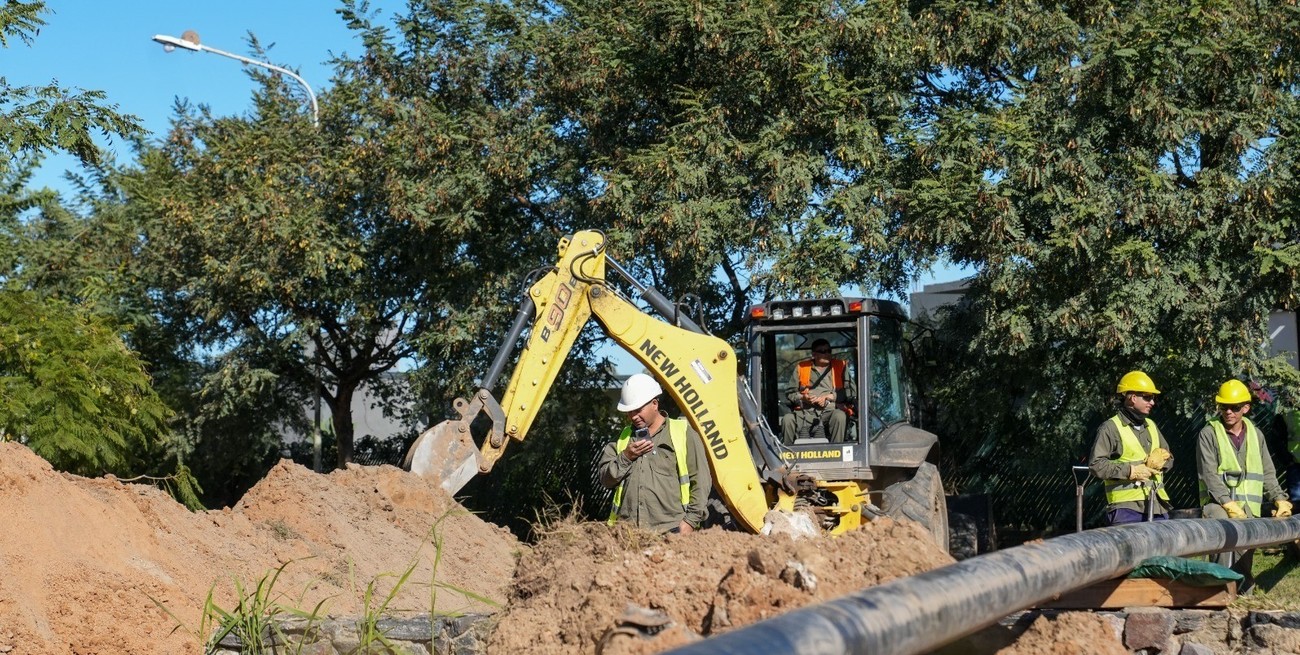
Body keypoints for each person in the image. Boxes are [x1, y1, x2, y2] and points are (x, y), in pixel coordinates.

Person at [1197, 379, 1293, 586]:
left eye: (1234, 407)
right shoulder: (1209, 433)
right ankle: (1217, 595)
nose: (1228, 412)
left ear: (1246, 408)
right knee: (1223, 541)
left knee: (1244, 561)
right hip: (1219, 506)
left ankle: (1241, 599)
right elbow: (1208, 475)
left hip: (1249, 508)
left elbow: (1267, 472)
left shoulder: (1256, 435)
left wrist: (1279, 499)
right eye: (1224, 407)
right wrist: (1227, 503)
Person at [598, 373, 712, 534]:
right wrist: (626, 457)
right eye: (629, 412)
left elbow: (700, 480)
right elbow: (605, 480)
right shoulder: (622, 439)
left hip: (671, 532)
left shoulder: (682, 433)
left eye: (638, 410)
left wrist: (690, 522)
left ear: (654, 404)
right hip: (627, 534)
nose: (633, 416)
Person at [1089, 370, 1174, 525]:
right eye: (1148, 397)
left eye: (1153, 398)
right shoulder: (1110, 428)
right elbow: (1096, 465)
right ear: (1133, 398)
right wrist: (1130, 471)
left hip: (1157, 507)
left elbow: (1170, 457)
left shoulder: (1152, 426)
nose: (1152, 402)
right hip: (1126, 511)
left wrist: (1162, 461)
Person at [780, 338, 856, 443]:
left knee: (840, 416)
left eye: (829, 351)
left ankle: (837, 453)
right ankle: (788, 455)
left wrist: (830, 397)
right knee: (787, 419)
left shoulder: (841, 367)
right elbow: (790, 393)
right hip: (805, 412)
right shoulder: (801, 368)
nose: (827, 354)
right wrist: (803, 398)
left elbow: (851, 392)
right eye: (823, 351)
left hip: (830, 411)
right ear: (814, 354)